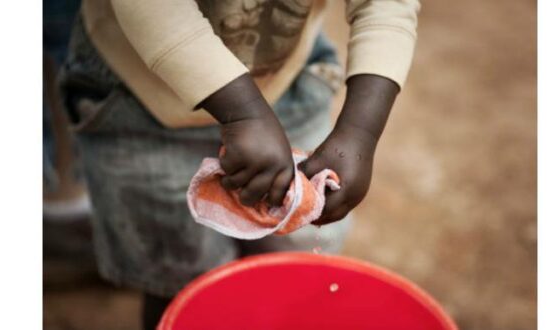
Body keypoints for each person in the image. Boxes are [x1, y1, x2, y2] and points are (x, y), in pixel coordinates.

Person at [58, 0, 419, 328]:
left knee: (293, 257)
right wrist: (243, 112)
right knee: (180, 273)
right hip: (141, 101)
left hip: (284, 84)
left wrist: (359, 133)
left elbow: (386, 6)